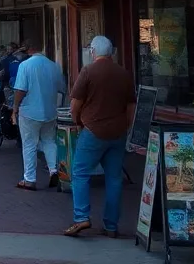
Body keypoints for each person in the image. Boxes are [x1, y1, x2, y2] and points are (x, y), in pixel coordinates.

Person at [64, 36, 135, 239]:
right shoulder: (123, 73)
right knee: (114, 178)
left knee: (80, 173)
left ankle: (81, 217)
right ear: (111, 52)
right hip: (118, 132)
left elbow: (75, 103)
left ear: (93, 52)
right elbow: (131, 105)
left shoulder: (88, 71)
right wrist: (126, 125)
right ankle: (111, 225)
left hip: (93, 130)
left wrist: (78, 122)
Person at [11, 41, 64, 191]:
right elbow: (61, 89)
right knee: (49, 141)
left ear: (28, 51)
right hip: (50, 111)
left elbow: (20, 90)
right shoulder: (54, 66)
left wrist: (15, 108)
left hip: (30, 111)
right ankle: (54, 170)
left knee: (29, 144)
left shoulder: (25, 66)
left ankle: (29, 179)